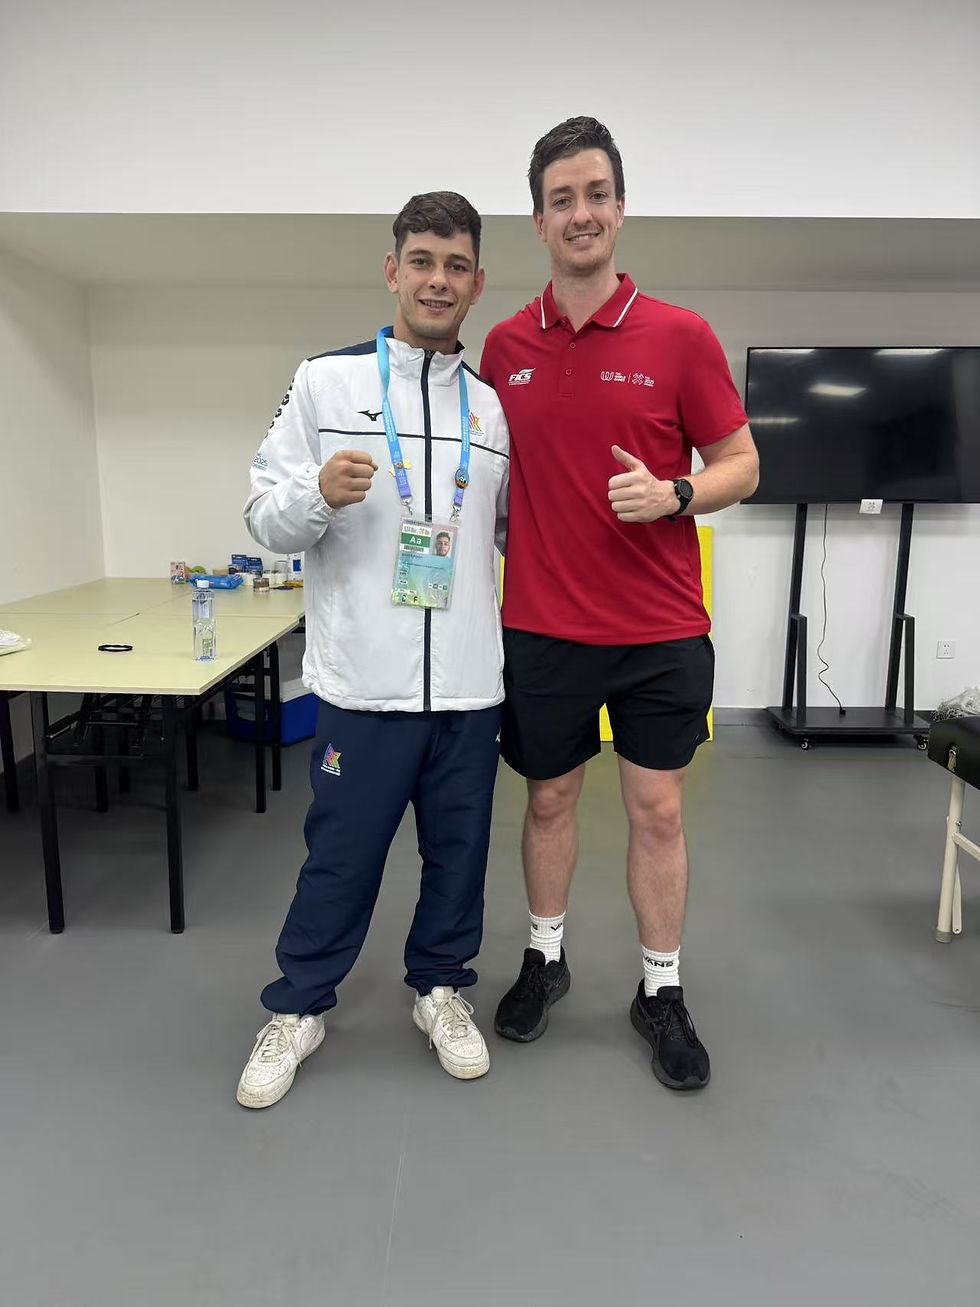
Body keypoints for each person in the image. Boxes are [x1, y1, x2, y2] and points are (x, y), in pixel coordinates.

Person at [481, 118, 759, 1092]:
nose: (580, 212)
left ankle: (659, 987)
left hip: (659, 632)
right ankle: (544, 958)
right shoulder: (504, 346)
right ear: (539, 220)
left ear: (620, 207)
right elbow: (488, 482)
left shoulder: (679, 337)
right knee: (549, 797)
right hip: (544, 629)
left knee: (654, 812)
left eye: (595, 192)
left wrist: (674, 493)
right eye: (561, 198)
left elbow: (742, 463)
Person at [237, 192, 509, 1109]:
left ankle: (440, 989)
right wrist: (316, 492)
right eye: (423, 260)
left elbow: (512, 535)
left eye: (457, 264)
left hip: (470, 685)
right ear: (393, 270)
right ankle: (300, 1005)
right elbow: (265, 517)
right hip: (363, 683)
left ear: (477, 283)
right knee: (341, 858)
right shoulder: (324, 384)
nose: (439, 279)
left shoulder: (492, 409)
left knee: (460, 854)